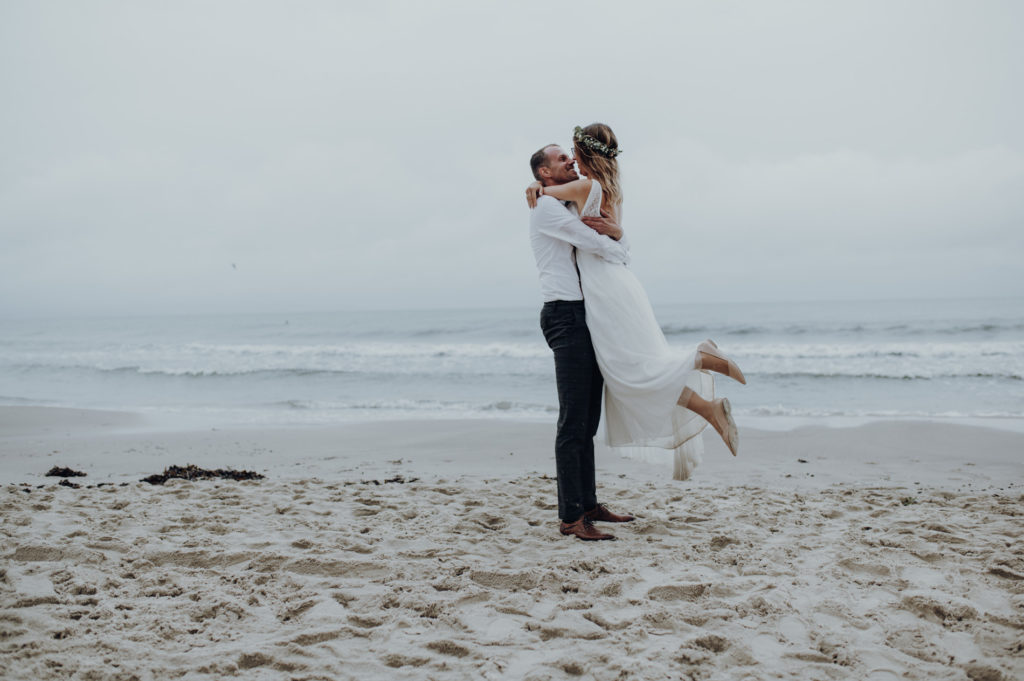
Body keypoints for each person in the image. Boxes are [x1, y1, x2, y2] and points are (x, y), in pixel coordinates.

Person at [526, 124, 745, 493]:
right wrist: (618, 236)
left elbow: (561, 208)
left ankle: (700, 357)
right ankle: (706, 406)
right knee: (629, 371)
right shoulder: (608, 189)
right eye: (563, 157)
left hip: (603, 288)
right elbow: (612, 243)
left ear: (584, 153)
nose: (570, 159)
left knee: (628, 371)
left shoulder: (582, 188)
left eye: (571, 154)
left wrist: (536, 186)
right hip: (614, 285)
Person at [528, 142, 637, 541]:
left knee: (587, 420)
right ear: (544, 173)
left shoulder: (563, 201)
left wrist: (619, 241)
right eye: (562, 159)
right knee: (573, 421)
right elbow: (593, 243)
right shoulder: (547, 208)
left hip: (584, 316)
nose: (571, 161)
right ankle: (571, 517)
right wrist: (621, 248)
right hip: (564, 316)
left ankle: (589, 504)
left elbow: (603, 243)